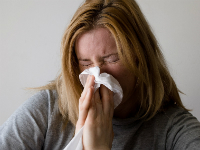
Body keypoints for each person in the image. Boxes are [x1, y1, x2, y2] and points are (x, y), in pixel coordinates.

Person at [1, 0, 200, 149]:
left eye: (112, 59)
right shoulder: (46, 110)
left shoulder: (174, 130)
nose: (96, 75)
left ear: (141, 57)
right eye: (85, 63)